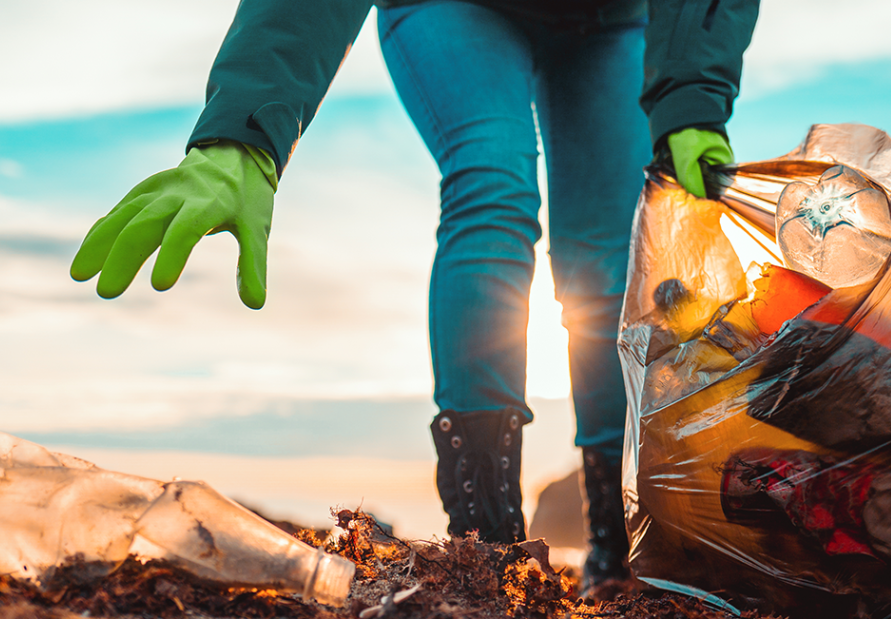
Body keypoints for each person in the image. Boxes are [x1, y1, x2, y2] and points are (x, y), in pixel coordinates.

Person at [70, 0, 759, 593]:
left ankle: (614, 535)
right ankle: (485, 540)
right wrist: (243, 131)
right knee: (492, 186)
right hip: (453, 10)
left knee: (607, 260)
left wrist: (693, 99)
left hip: (611, 20)